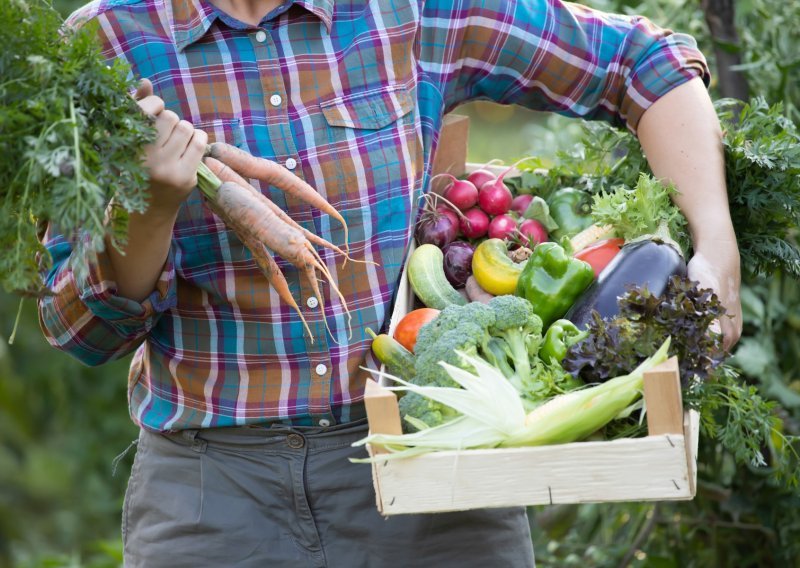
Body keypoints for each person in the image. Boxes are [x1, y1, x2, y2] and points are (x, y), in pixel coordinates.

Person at [40, 0, 742, 565]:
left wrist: (715, 248)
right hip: (213, 503)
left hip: (432, 473)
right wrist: (155, 204)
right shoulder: (106, 45)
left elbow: (642, 61)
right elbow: (83, 329)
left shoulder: (411, 12)